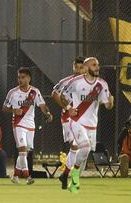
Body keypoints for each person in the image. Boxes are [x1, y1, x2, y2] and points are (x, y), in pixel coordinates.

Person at [61, 57, 114, 193]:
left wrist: (110, 102)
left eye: (98, 65)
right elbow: (62, 95)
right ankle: (74, 174)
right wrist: (68, 108)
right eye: (94, 65)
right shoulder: (76, 82)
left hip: (92, 125)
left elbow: (107, 105)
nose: (97, 67)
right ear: (86, 68)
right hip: (77, 122)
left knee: (85, 152)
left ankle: (72, 175)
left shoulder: (102, 84)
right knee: (84, 147)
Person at [2, 67, 53, 185]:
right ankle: (27, 176)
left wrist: (48, 113)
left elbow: (42, 105)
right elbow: (4, 108)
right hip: (18, 124)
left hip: (30, 125)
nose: (20, 80)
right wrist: (14, 110)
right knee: (23, 150)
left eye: (23, 77)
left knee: (26, 151)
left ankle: (15, 176)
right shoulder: (12, 92)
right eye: (19, 77)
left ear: (29, 78)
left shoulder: (35, 92)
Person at [51, 56, 88, 189]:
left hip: (83, 119)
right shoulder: (66, 81)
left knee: (77, 147)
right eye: (76, 67)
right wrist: (67, 108)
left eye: (81, 67)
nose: (78, 70)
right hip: (68, 118)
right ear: (73, 67)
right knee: (75, 145)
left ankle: (65, 174)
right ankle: (70, 174)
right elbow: (54, 93)